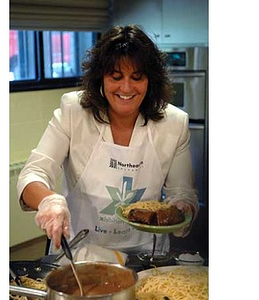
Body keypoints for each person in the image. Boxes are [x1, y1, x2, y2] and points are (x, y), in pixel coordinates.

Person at [17, 25, 199, 255]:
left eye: (137, 77)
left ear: (150, 80)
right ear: (100, 78)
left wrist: (181, 208)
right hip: (80, 251)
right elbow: (33, 173)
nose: (126, 87)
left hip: (145, 255)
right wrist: (49, 202)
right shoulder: (74, 112)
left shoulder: (174, 123)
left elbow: (183, 193)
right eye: (116, 77)